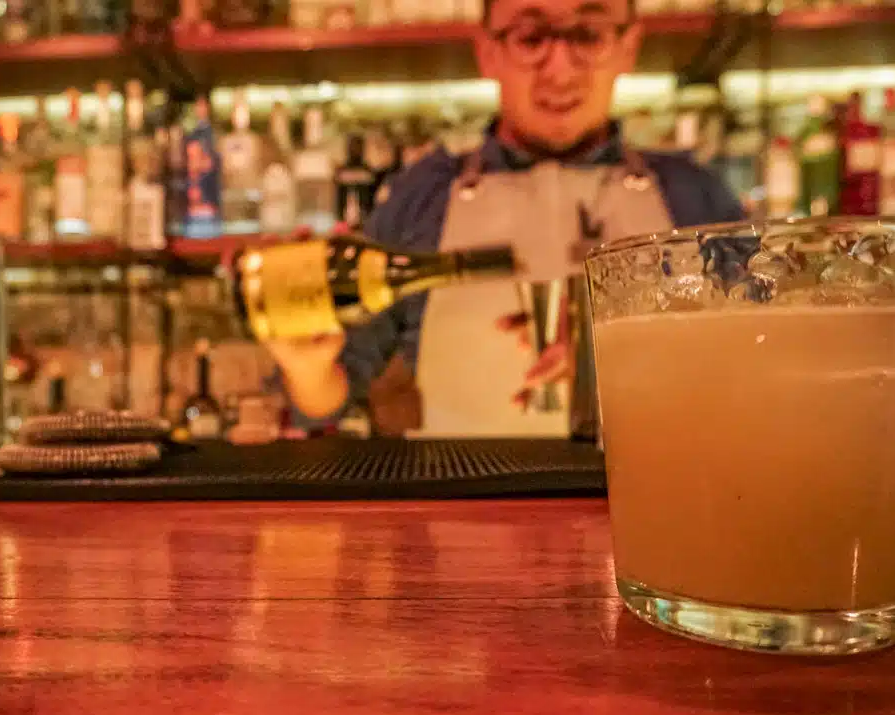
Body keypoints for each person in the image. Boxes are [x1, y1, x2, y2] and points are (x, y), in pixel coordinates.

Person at [268, 0, 745, 439]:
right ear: (488, 52)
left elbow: (757, 368)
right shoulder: (424, 194)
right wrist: (307, 366)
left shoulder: (695, 196)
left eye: (588, 34)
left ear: (627, 46)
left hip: (658, 502)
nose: (559, 68)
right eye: (530, 36)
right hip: (467, 509)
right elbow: (327, 398)